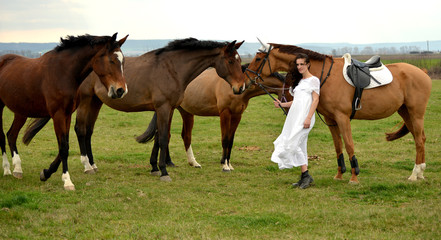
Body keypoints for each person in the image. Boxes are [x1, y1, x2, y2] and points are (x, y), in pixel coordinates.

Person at [271, 53, 320, 189]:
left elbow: (315, 100)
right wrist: (281, 105)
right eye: (297, 65)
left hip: (305, 118)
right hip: (294, 118)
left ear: (308, 64)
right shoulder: (299, 83)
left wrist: (309, 117)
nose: (299, 67)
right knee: (300, 145)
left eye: (302, 64)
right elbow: (295, 102)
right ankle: (304, 177)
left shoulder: (314, 80)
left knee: (294, 144)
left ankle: (306, 175)